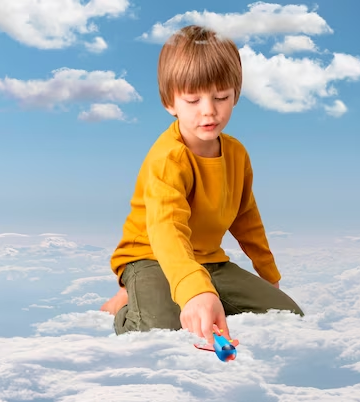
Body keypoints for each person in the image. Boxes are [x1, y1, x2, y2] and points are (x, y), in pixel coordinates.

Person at [101, 24, 303, 345]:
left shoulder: (236, 153)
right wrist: (194, 290)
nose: (208, 110)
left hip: (208, 259)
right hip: (151, 256)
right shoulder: (168, 158)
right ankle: (127, 303)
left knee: (287, 314)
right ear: (171, 102)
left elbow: (246, 217)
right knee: (160, 327)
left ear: (235, 94)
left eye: (221, 96)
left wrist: (269, 276)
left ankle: (201, 297)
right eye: (193, 100)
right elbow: (167, 230)